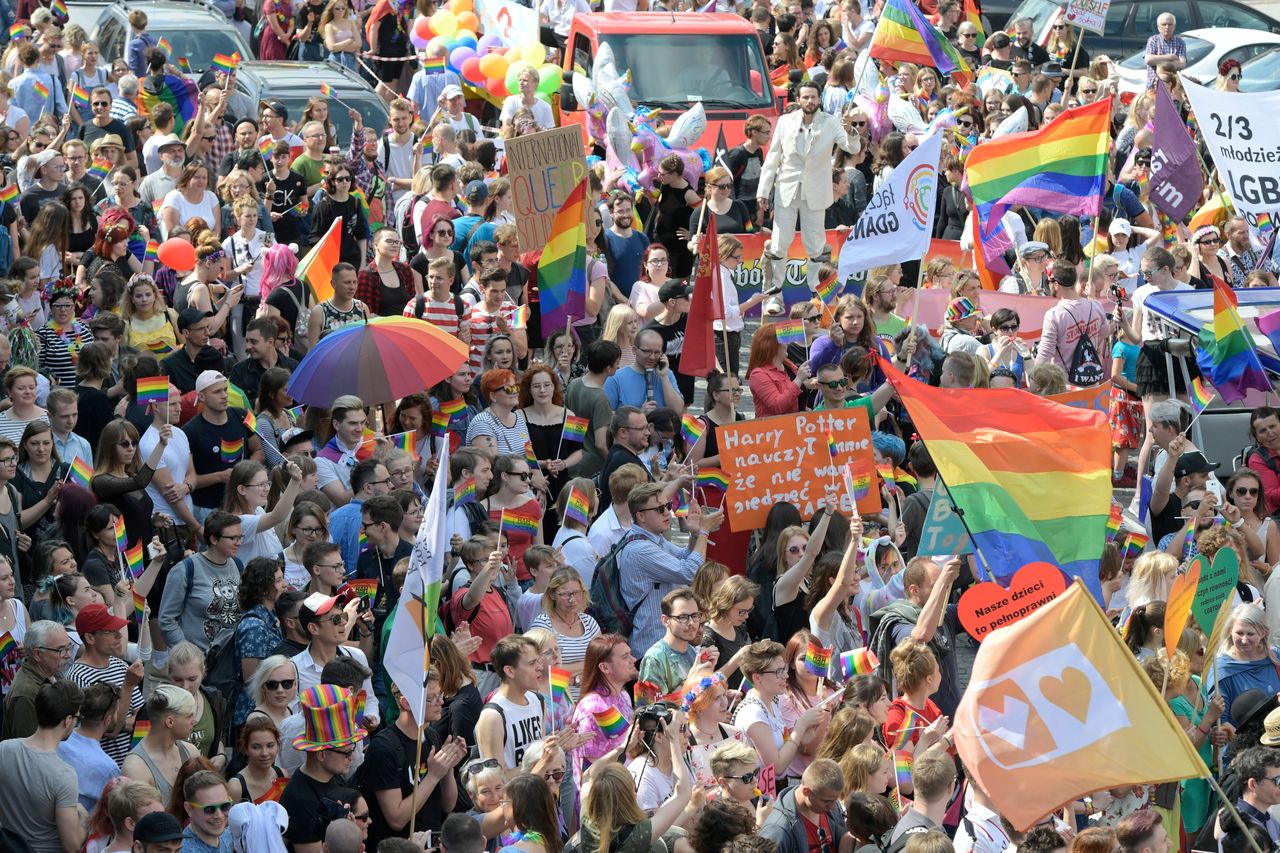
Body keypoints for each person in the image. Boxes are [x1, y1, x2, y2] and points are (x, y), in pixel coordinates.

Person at [757, 81, 859, 295]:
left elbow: (851, 147)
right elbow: (773, 157)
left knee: (815, 244)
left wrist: (849, 129)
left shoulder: (831, 122)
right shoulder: (785, 122)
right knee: (779, 242)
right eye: (805, 97)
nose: (810, 101)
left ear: (819, 99)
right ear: (798, 99)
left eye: (813, 97)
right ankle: (773, 293)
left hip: (815, 191)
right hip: (787, 189)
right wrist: (763, 192)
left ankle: (817, 291)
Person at [361, 672, 467, 847]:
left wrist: (448, 768)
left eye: (441, 695)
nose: (440, 702)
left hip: (431, 843)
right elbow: (396, 819)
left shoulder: (432, 737)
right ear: (406, 703)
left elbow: (448, 805)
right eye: (431, 698)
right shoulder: (383, 748)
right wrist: (433, 776)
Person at [619, 482, 723, 655]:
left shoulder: (651, 538)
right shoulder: (640, 549)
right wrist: (704, 532)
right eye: (660, 509)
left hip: (665, 644)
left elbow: (683, 556)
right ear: (641, 516)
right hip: (652, 646)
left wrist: (695, 533)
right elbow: (689, 572)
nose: (668, 512)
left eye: (667, 506)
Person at [280, 685, 369, 853]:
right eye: (346, 753)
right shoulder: (301, 801)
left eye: (353, 748)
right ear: (321, 755)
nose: (353, 757)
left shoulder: (332, 775)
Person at [0, 680, 85, 853]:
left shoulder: (4, 749)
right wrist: (84, 819)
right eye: (77, 718)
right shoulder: (64, 775)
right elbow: (72, 844)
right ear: (68, 720)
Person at [158, 512, 244, 650]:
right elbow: (166, 620)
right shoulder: (185, 570)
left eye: (240, 537)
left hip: (230, 658)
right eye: (233, 538)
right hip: (197, 662)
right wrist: (187, 653)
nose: (239, 543)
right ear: (214, 539)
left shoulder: (237, 565)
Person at [290, 591, 379, 725]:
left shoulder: (356, 656)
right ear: (313, 628)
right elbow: (293, 718)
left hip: (356, 743)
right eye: (335, 619)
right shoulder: (293, 668)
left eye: (343, 615)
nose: (344, 622)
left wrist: (371, 718)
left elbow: (368, 699)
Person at [475, 634, 546, 770]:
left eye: (539, 661)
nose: (540, 668)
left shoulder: (538, 701)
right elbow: (497, 779)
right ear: (510, 671)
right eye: (532, 663)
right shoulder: (493, 716)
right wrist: (543, 762)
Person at [122, 685, 199, 804]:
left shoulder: (191, 752)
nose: (195, 721)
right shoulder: (135, 768)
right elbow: (144, 819)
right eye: (189, 716)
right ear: (170, 722)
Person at [1035, 264, 1109, 386]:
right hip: (1092, 382)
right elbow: (1105, 332)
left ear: (1056, 284)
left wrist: (1035, 380)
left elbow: (1045, 355)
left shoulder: (1054, 315)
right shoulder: (1096, 305)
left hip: (1066, 387)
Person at [759, 758, 847, 853]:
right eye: (827, 801)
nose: (833, 806)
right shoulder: (777, 830)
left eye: (835, 800)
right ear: (806, 791)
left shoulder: (830, 804)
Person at [1, 619, 70, 739]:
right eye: (61, 650)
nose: (68, 655)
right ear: (37, 654)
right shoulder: (25, 694)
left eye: (69, 648)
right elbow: (30, 749)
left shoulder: (54, 672)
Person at [637, 587, 706, 697]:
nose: (691, 623)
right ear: (665, 620)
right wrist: (690, 681)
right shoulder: (654, 659)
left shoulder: (692, 651)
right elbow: (648, 709)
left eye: (695, 616)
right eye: (683, 617)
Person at [180, 770, 233, 853]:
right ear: (189, 809)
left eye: (225, 806)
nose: (219, 815)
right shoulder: (184, 850)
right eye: (209, 809)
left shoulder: (229, 833)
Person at [1143, 13, 1186, 88]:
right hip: (1154, 85)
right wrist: (1171, 57)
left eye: (1170, 24)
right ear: (1158, 27)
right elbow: (1148, 60)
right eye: (1164, 24)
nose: (1167, 27)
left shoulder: (1180, 42)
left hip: (1172, 87)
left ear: (1174, 27)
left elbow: (1182, 65)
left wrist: (1157, 62)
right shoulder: (1153, 40)